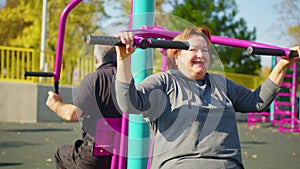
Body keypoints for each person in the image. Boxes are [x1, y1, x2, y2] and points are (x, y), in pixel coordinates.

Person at [114, 26, 300, 169]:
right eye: (194, 50)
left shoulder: (220, 83)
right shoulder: (164, 82)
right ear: (176, 54)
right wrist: (123, 59)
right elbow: (129, 103)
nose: (201, 55)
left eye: (205, 50)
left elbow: (256, 102)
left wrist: (283, 64)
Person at [46, 45, 122, 169]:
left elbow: (72, 114)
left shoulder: (94, 79)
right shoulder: (130, 80)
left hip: (94, 158)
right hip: (123, 156)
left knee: (61, 154)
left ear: (95, 59)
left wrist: (55, 104)